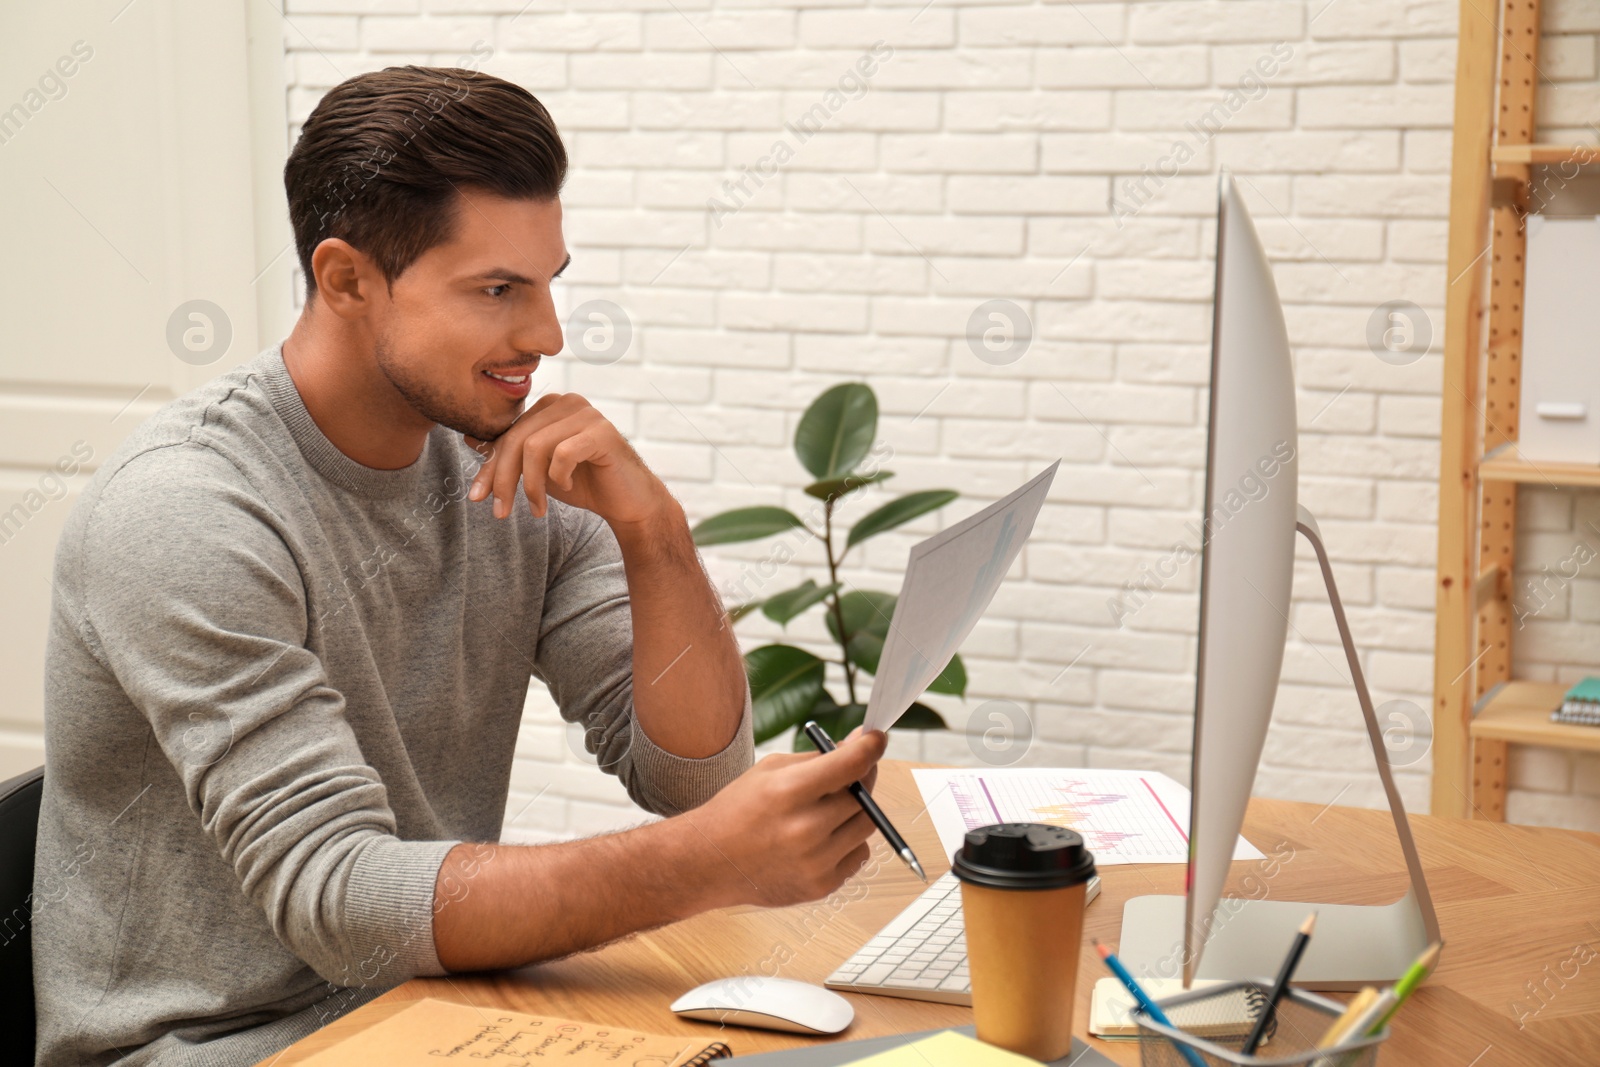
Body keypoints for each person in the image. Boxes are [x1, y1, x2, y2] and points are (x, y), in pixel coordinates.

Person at [31, 65, 885, 1066]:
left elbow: (691, 775)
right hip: (220, 1047)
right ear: (347, 278)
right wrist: (698, 866)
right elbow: (339, 899)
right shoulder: (188, 510)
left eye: (547, 282)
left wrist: (653, 527)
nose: (546, 335)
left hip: (429, 1013)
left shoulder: (506, 469)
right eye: (496, 290)